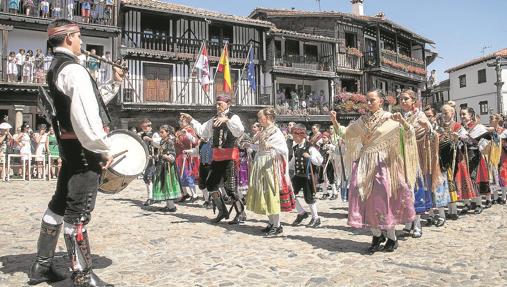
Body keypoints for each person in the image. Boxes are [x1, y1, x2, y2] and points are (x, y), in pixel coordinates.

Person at [28, 19, 123, 286]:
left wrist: (113, 83)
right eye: (79, 36)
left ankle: (42, 266)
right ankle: (82, 275)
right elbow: (86, 117)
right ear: (69, 37)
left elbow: (86, 104)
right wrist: (103, 148)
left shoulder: (59, 68)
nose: (82, 42)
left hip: (71, 150)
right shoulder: (75, 71)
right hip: (83, 152)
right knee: (77, 215)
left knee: (58, 205)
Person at [331, 89, 418, 254]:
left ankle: (391, 236)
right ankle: (376, 235)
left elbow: (409, 134)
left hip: (384, 165)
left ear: (381, 101)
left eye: (372, 100)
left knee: (383, 199)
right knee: (361, 195)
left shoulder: (390, 119)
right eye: (367, 101)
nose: (369, 103)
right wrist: (335, 122)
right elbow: (345, 133)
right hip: (365, 162)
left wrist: (404, 123)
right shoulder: (362, 121)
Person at [180, 95, 245, 223]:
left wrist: (227, 120)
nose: (218, 106)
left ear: (228, 104)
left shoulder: (233, 117)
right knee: (211, 185)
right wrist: (191, 120)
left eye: (220, 103)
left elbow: (239, 132)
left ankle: (241, 213)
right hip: (217, 157)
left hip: (229, 156)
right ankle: (222, 211)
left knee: (230, 188)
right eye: (217, 104)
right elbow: (203, 132)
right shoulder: (213, 119)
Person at [398, 90, 447, 238]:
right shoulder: (402, 116)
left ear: (413, 100)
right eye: (400, 99)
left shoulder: (419, 115)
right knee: (405, 191)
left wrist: (428, 129)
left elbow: (430, 134)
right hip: (403, 158)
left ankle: (417, 224)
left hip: (417, 159)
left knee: (417, 190)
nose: (402, 101)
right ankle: (408, 224)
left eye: (406, 99)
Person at [246, 108, 295, 236]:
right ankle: (271, 223)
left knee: (272, 193)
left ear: (267, 118)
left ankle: (277, 225)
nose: (258, 120)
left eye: (260, 117)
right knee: (264, 193)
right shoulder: (264, 131)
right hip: (262, 163)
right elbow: (260, 147)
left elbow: (283, 149)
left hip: (270, 165)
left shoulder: (276, 132)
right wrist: (250, 146)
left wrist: (272, 146)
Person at [289, 124, 323, 228]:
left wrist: (310, 157)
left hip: (307, 176)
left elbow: (320, 161)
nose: (293, 138)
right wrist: (287, 169)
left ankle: (316, 218)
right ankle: (302, 213)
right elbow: (293, 161)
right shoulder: (295, 147)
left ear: (300, 135)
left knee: (309, 198)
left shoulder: (310, 147)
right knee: (290, 194)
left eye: (294, 135)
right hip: (298, 175)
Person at [152, 125, 181, 212]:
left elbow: (173, 155)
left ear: (167, 132)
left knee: (168, 184)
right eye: (160, 132)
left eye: (162, 132)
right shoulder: (162, 141)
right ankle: (168, 205)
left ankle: (172, 206)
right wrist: (156, 156)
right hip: (162, 166)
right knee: (164, 185)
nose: (160, 134)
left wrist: (166, 156)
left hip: (168, 167)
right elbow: (161, 152)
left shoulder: (170, 142)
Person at [175, 118, 199, 202]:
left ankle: (194, 194)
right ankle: (185, 194)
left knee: (187, 174)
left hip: (187, 156)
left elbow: (195, 141)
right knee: (179, 175)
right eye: (179, 121)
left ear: (187, 122)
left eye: (182, 121)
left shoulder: (190, 130)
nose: (180, 122)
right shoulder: (178, 131)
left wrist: (188, 134)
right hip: (178, 156)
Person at [139, 118, 161, 206]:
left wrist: (151, 140)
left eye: (146, 126)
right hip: (147, 159)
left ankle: (151, 197)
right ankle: (154, 197)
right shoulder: (142, 134)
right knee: (149, 178)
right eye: (143, 127)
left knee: (149, 177)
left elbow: (159, 145)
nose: (145, 128)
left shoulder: (154, 134)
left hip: (154, 159)